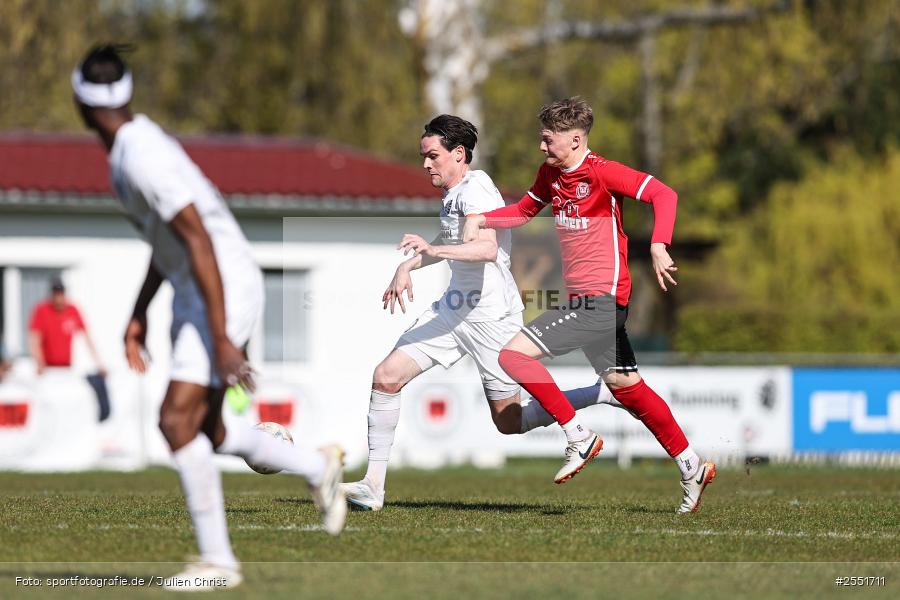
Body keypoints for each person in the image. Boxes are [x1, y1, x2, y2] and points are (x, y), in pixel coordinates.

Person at [72, 44, 346, 590]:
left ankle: (218, 562)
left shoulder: (140, 154)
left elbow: (197, 236)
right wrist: (139, 312)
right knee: (212, 430)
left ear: (80, 103)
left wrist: (222, 337)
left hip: (220, 288)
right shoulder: (131, 148)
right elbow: (171, 240)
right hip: (200, 288)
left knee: (175, 422)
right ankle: (320, 467)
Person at [341, 114, 624, 512]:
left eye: (433, 156)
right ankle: (373, 485)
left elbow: (487, 249)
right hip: (453, 311)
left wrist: (434, 251)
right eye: (424, 156)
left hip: (490, 315)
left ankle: (599, 391)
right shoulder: (454, 192)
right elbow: (451, 239)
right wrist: (410, 264)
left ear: (459, 155)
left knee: (508, 422)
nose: (426, 164)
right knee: (386, 377)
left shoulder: (477, 189)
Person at [463, 97, 715, 513]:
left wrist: (658, 244)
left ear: (575, 138)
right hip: (586, 300)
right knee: (626, 388)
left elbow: (663, 195)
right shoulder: (550, 173)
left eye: (548, 140)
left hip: (601, 299)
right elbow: (524, 210)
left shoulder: (601, 172)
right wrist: (482, 219)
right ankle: (691, 466)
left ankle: (578, 435)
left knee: (512, 356)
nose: (542, 148)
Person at [28, 278, 105, 376]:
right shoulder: (42, 310)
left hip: (66, 367)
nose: (59, 298)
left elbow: (87, 339)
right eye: (56, 294)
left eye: (61, 294)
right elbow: (34, 339)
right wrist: (39, 362)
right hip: (47, 368)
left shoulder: (72, 310)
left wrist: (99, 363)